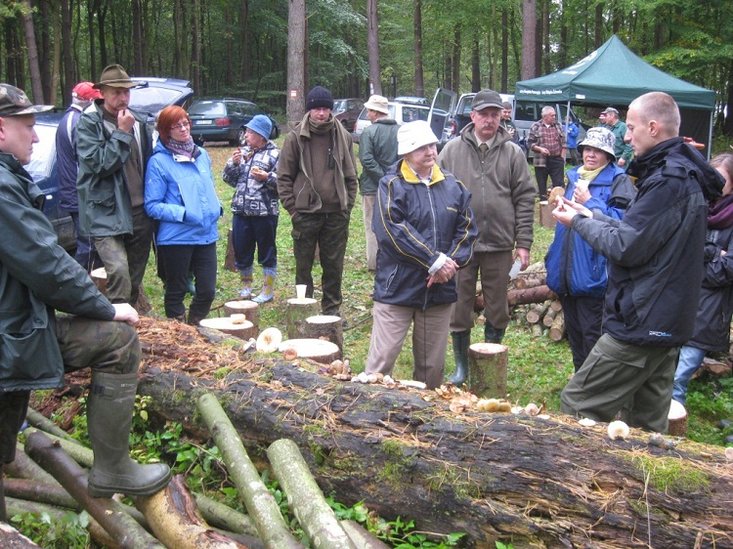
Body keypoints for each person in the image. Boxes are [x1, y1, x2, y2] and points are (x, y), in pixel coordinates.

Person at [0, 84, 170, 508]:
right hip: (8, 333)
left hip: (13, 324)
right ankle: (112, 467)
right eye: (26, 127)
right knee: (117, 338)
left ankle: (112, 467)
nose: (36, 136)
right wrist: (103, 305)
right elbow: (42, 261)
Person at [553, 91, 722, 433]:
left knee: (577, 404)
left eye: (630, 128)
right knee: (647, 424)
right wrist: (593, 214)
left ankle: (570, 481)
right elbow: (643, 234)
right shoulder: (683, 174)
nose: (626, 137)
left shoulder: (668, 181)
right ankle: (642, 484)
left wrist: (580, 223)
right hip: (669, 319)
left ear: (654, 127)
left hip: (643, 320)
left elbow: (627, 247)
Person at [364, 121, 476, 389]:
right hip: (397, 288)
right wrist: (433, 261)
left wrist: (449, 265)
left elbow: (468, 230)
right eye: (420, 147)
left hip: (439, 291)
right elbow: (391, 230)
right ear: (406, 153)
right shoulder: (391, 185)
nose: (430, 151)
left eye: (432, 145)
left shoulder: (453, 186)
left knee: (431, 371)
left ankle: (425, 424)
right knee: (380, 364)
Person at [438, 89, 534, 384]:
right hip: (461, 245)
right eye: (484, 114)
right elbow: (437, 191)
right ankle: (462, 368)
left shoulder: (513, 152)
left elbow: (525, 197)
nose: (490, 120)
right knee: (460, 305)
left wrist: (524, 243)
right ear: (473, 116)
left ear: (501, 117)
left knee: (497, 307)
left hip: (500, 243)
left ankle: (490, 361)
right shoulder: (452, 150)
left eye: (495, 114)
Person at [544, 127, 636, 371]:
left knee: (593, 336)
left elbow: (624, 224)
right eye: (587, 149)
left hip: (595, 277)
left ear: (609, 155)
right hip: (567, 270)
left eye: (598, 150)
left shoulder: (619, 180)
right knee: (575, 335)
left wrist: (590, 202)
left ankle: (594, 393)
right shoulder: (575, 177)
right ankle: (579, 387)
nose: (591, 154)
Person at [76, 64, 154, 306]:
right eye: (116, 92)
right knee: (118, 272)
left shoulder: (139, 121)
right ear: (102, 93)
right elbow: (99, 165)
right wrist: (122, 133)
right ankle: (115, 331)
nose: (122, 98)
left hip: (140, 211)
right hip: (105, 211)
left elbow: (149, 163)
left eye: (126, 92)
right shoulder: (89, 123)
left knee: (134, 274)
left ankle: (128, 324)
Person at [277, 85, 358, 316]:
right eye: (316, 109)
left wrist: (347, 206)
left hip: (336, 214)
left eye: (325, 109)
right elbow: (283, 177)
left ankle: (331, 311)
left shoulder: (343, 136)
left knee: (334, 266)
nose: (321, 113)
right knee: (303, 266)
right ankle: (305, 308)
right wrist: (293, 210)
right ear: (309, 110)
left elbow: (351, 174)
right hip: (305, 214)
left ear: (331, 110)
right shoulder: (295, 138)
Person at [144, 106, 222, 325]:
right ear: (165, 131)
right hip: (176, 237)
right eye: (175, 126)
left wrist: (217, 207)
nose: (183, 128)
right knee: (176, 291)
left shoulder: (202, 155)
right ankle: (178, 334)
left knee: (207, 291)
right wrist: (185, 213)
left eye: (185, 123)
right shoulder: (159, 162)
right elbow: (152, 206)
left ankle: (194, 326)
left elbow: (208, 189)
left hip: (206, 234)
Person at [672, 153, 733, 404]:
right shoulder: (697, 206)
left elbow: (727, 270)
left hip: (709, 310)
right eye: (712, 175)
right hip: (678, 302)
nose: (715, 182)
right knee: (662, 371)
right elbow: (676, 250)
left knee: (678, 378)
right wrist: (709, 252)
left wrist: (692, 263)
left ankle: (669, 435)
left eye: (722, 177)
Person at [222, 114, 280, 302]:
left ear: (261, 135)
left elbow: (285, 183)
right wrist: (234, 164)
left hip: (265, 213)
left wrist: (267, 177)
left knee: (267, 251)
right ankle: (246, 287)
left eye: (250, 132)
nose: (246, 135)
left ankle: (267, 290)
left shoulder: (275, 154)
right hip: (241, 211)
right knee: (242, 250)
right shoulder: (243, 152)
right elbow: (228, 179)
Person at [55, 81, 103, 271]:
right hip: (78, 193)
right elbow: (88, 160)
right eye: (95, 100)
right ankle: (72, 283)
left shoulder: (69, 118)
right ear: (87, 100)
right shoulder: (77, 122)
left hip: (75, 191)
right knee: (88, 245)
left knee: (89, 243)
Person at [358, 94, 398, 272]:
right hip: (397, 186)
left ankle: (374, 263)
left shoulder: (369, 132)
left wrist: (381, 179)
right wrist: (390, 179)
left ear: (375, 112)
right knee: (393, 224)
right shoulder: (400, 130)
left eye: (369, 110)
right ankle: (392, 261)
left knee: (371, 225)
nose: (367, 112)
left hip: (372, 188)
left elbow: (366, 159)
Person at [527, 105, 567, 199]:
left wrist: (562, 158)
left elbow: (564, 143)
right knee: (542, 189)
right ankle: (544, 208)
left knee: (559, 186)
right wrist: (540, 149)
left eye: (554, 115)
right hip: (541, 161)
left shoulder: (558, 125)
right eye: (552, 115)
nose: (554, 117)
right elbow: (529, 143)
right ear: (545, 116)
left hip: (557, 160)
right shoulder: (535, 126)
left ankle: (558, 207)